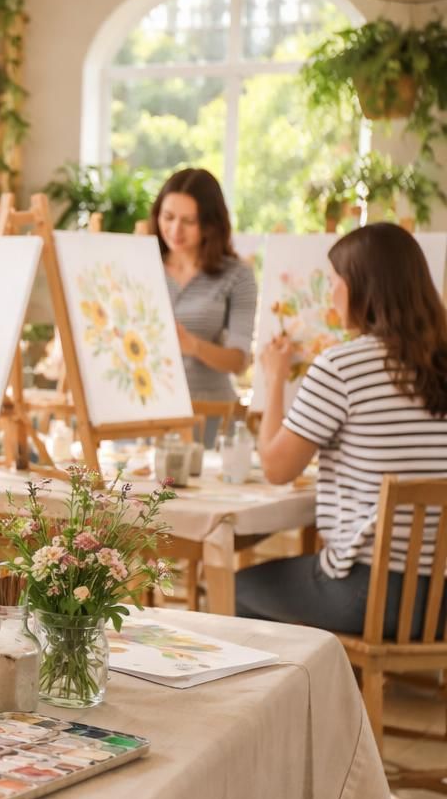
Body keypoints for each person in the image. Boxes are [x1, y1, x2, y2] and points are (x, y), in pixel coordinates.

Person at [236, 223, 447, 637]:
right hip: (440, 603)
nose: (330, 296)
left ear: (361, 288)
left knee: (236, 589)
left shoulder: (343, 367)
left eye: (334, 283)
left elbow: (277, 469)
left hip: (366, 594)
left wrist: (275, 379)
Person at [151, 168, 257, 445]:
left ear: (210, 224)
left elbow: (239, 361)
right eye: (168, 217)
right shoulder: (141, 265)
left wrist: (194, 346)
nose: (175, 230)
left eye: (188, 221)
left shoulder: (237, 275)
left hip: (211, 415)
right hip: (146, 412)